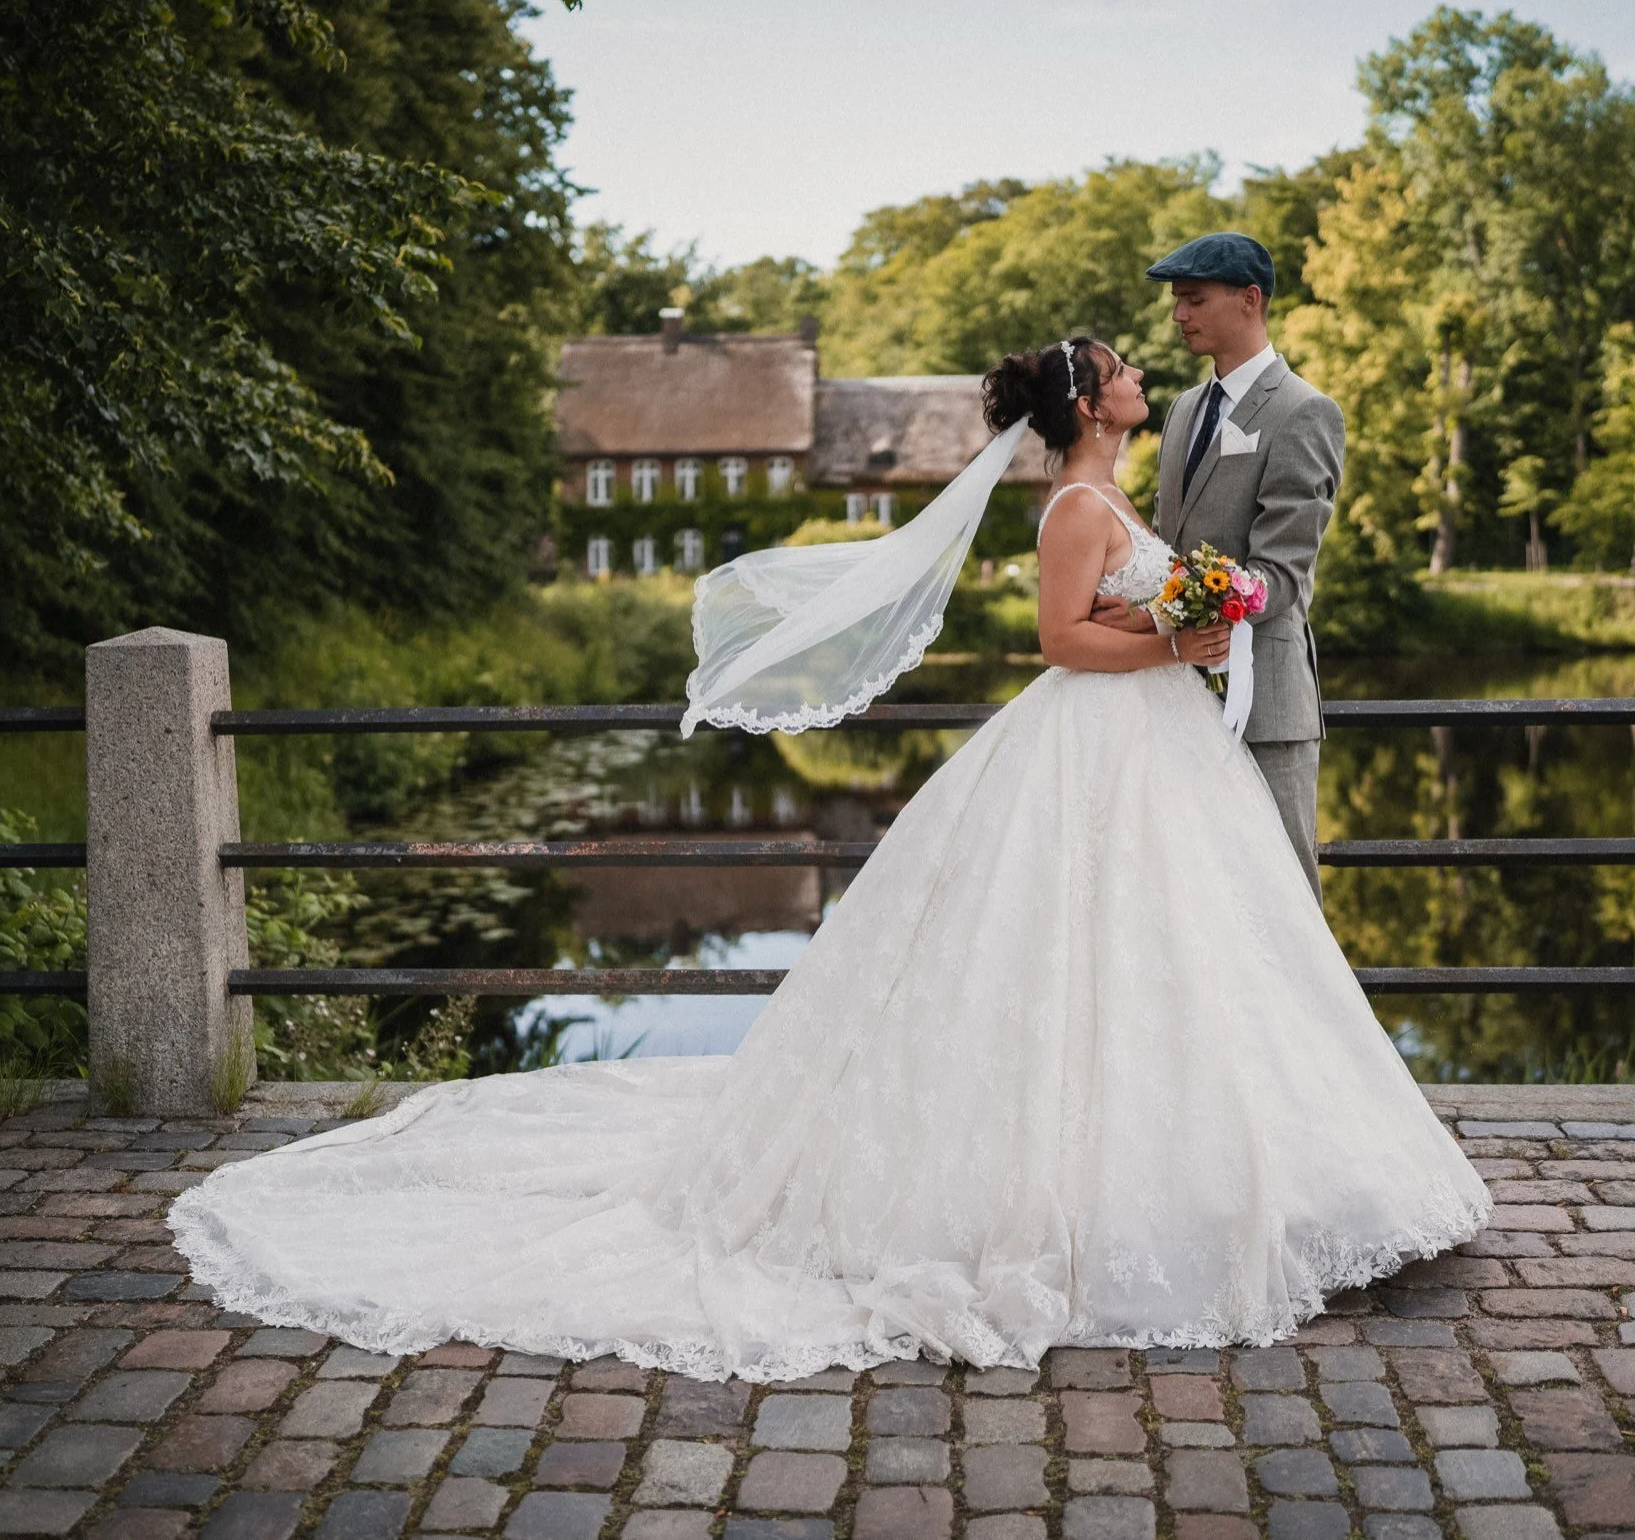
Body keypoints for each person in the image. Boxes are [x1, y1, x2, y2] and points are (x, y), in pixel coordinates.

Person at [169, 338, 1488, 1381]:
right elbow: (1062, 643)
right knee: (1077, 954)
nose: (1146, 377)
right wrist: (1180, 640)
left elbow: (1117, 617)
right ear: (1093, 403)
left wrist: (1189, 617)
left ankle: (1228, 1173)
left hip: (1150, 750)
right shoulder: (1078, 506)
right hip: (1099, 735)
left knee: (1183, 961)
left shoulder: (1106, 490)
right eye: (1128, 370)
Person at [1094, 232, 1342, 899]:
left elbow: (1281, 579)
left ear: (1249, 299)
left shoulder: (1305, 411)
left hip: (1265, 707)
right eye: (1177, 301)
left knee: (1282, 900)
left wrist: (1160, 612)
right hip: (1175, 698)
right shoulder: (1180, 411)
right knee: (1196, 903)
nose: (1179, 315)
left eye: (1194, 299)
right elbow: (1172, 550)